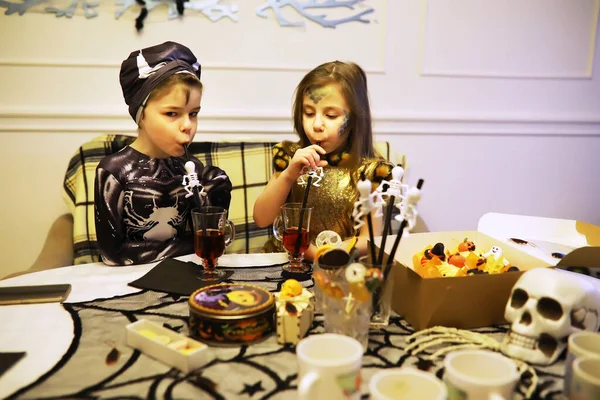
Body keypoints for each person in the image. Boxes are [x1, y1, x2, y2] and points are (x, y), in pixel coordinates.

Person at [94, 41, 232, 266]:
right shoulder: (113, 171)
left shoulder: (192, 169)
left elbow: (212, 242)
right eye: (172, 113)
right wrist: (188, 245)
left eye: (194, 113)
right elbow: (113, 253)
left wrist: (217, 201)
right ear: (141, 115)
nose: (188, 125)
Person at [254, 61, 393, 262]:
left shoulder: (371, 172)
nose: (317, 125)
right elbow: (261, 218)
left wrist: (331, 251)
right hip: (282, 264)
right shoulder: (289, 156)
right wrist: (288, 175)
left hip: (336, 268)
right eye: (309, 113)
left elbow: (370, 238)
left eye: (330, 115)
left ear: (354, 118)